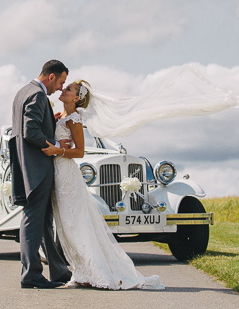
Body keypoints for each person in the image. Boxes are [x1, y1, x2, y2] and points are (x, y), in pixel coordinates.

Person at [41, 80, 165, 290]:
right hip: (57, 173)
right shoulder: (59, 117)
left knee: (75, 225)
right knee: (66, 225)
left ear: (77, 98)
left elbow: (80, 152)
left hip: (67, 174)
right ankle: (82, 271)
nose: (63, 90)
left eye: (68, 89)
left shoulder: (75, 119)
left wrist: (58, 151)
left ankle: (98, 272)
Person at [9, 59, 73, 289]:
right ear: (51, 76)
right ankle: (31, 275)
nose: (60, 88)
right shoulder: (37, 95)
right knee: (33, 220)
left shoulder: (23, 92)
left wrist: (50, 121)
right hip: (36, 168)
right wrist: (56, 142)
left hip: (27, 166)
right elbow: (29, 131)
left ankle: (58, 271)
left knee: (43, 222)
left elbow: (30, 126)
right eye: (61, 82)